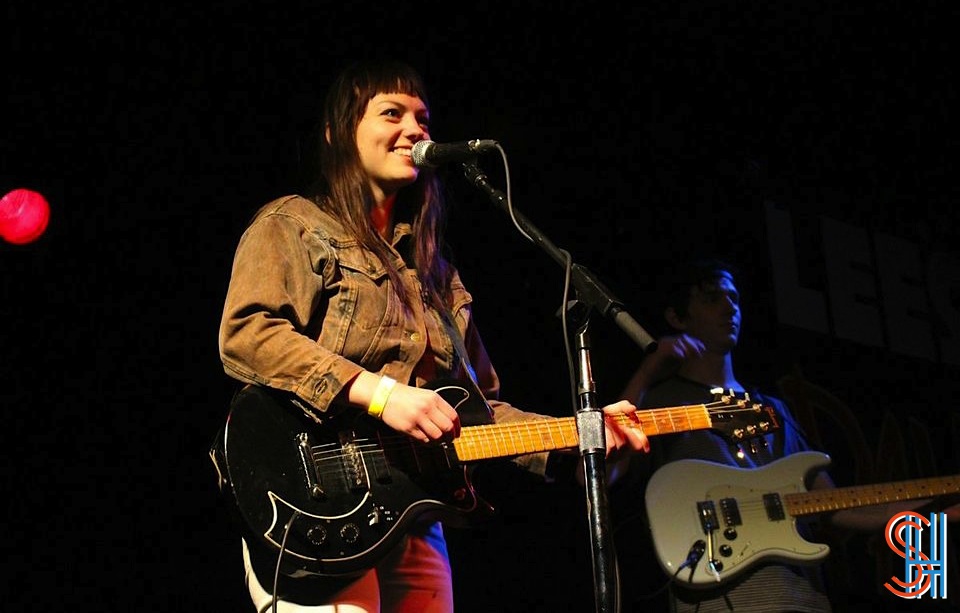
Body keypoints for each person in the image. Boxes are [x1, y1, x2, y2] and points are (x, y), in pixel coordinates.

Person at [215, 58, 650, 613]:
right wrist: (382, 394)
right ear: (338, 134)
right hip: (315, 499)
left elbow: (483, 413)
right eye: (391, 113)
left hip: (416, 514)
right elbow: (248, 334)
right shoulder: (292, 225)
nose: (415, 129)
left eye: (422, 117)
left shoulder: (435, 273)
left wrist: (584, 433)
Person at [614, 257, 956, 612]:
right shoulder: (662, 402)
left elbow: (834, 506)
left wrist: (938, 511)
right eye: (713, 297)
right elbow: (602, 470)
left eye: (734, 298)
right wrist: (648, 370)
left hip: (803, 597)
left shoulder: (774, 408)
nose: (729, 306)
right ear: (676, 317)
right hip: (718, 598)